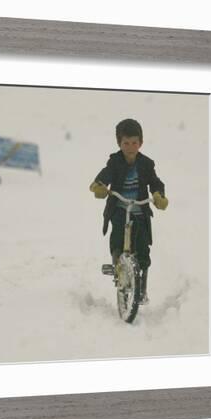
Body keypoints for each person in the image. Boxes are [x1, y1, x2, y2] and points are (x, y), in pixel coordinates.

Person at [89, 118, 168, 303]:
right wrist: (98, 186)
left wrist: (158, 195)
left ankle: (142, 289)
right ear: (119, 143)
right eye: (126, 143)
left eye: (134, 143)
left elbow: (155, 182)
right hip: (119, 209)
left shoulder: (146, 164)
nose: (131, 147)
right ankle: (118, 265)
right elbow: (104, 176)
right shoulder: (115, 161)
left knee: (142, 250)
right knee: (117, 240)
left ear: (141, 142)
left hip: (139, 212)